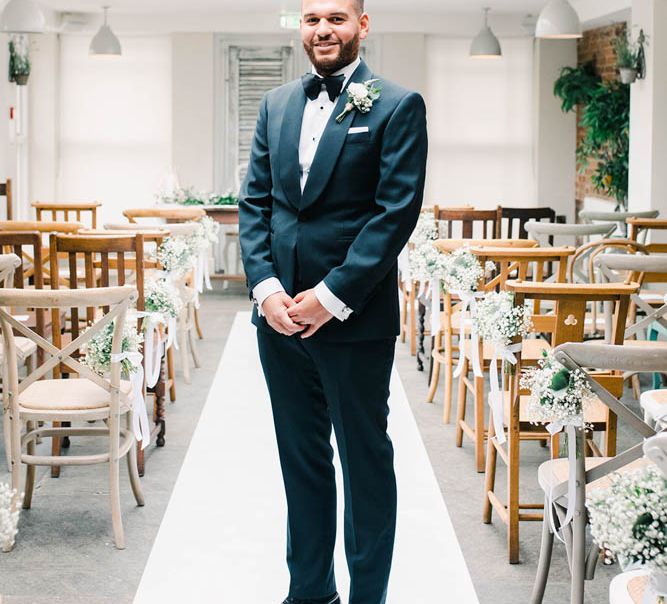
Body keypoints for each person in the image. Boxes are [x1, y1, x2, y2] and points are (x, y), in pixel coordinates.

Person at [239, 0, 428, 602]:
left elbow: (393, 215)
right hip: (279, 324)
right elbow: (257, 206)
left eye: (337, 18)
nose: (323, 29)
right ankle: (310, 592)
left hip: (354, 322)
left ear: (362, 26)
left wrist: (329, 297)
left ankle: (367, 595)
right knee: (302, 465)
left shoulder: (397, 105)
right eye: (312, 18)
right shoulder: (274, 105)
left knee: (365, 465)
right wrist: (267, 290)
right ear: (301, 25)